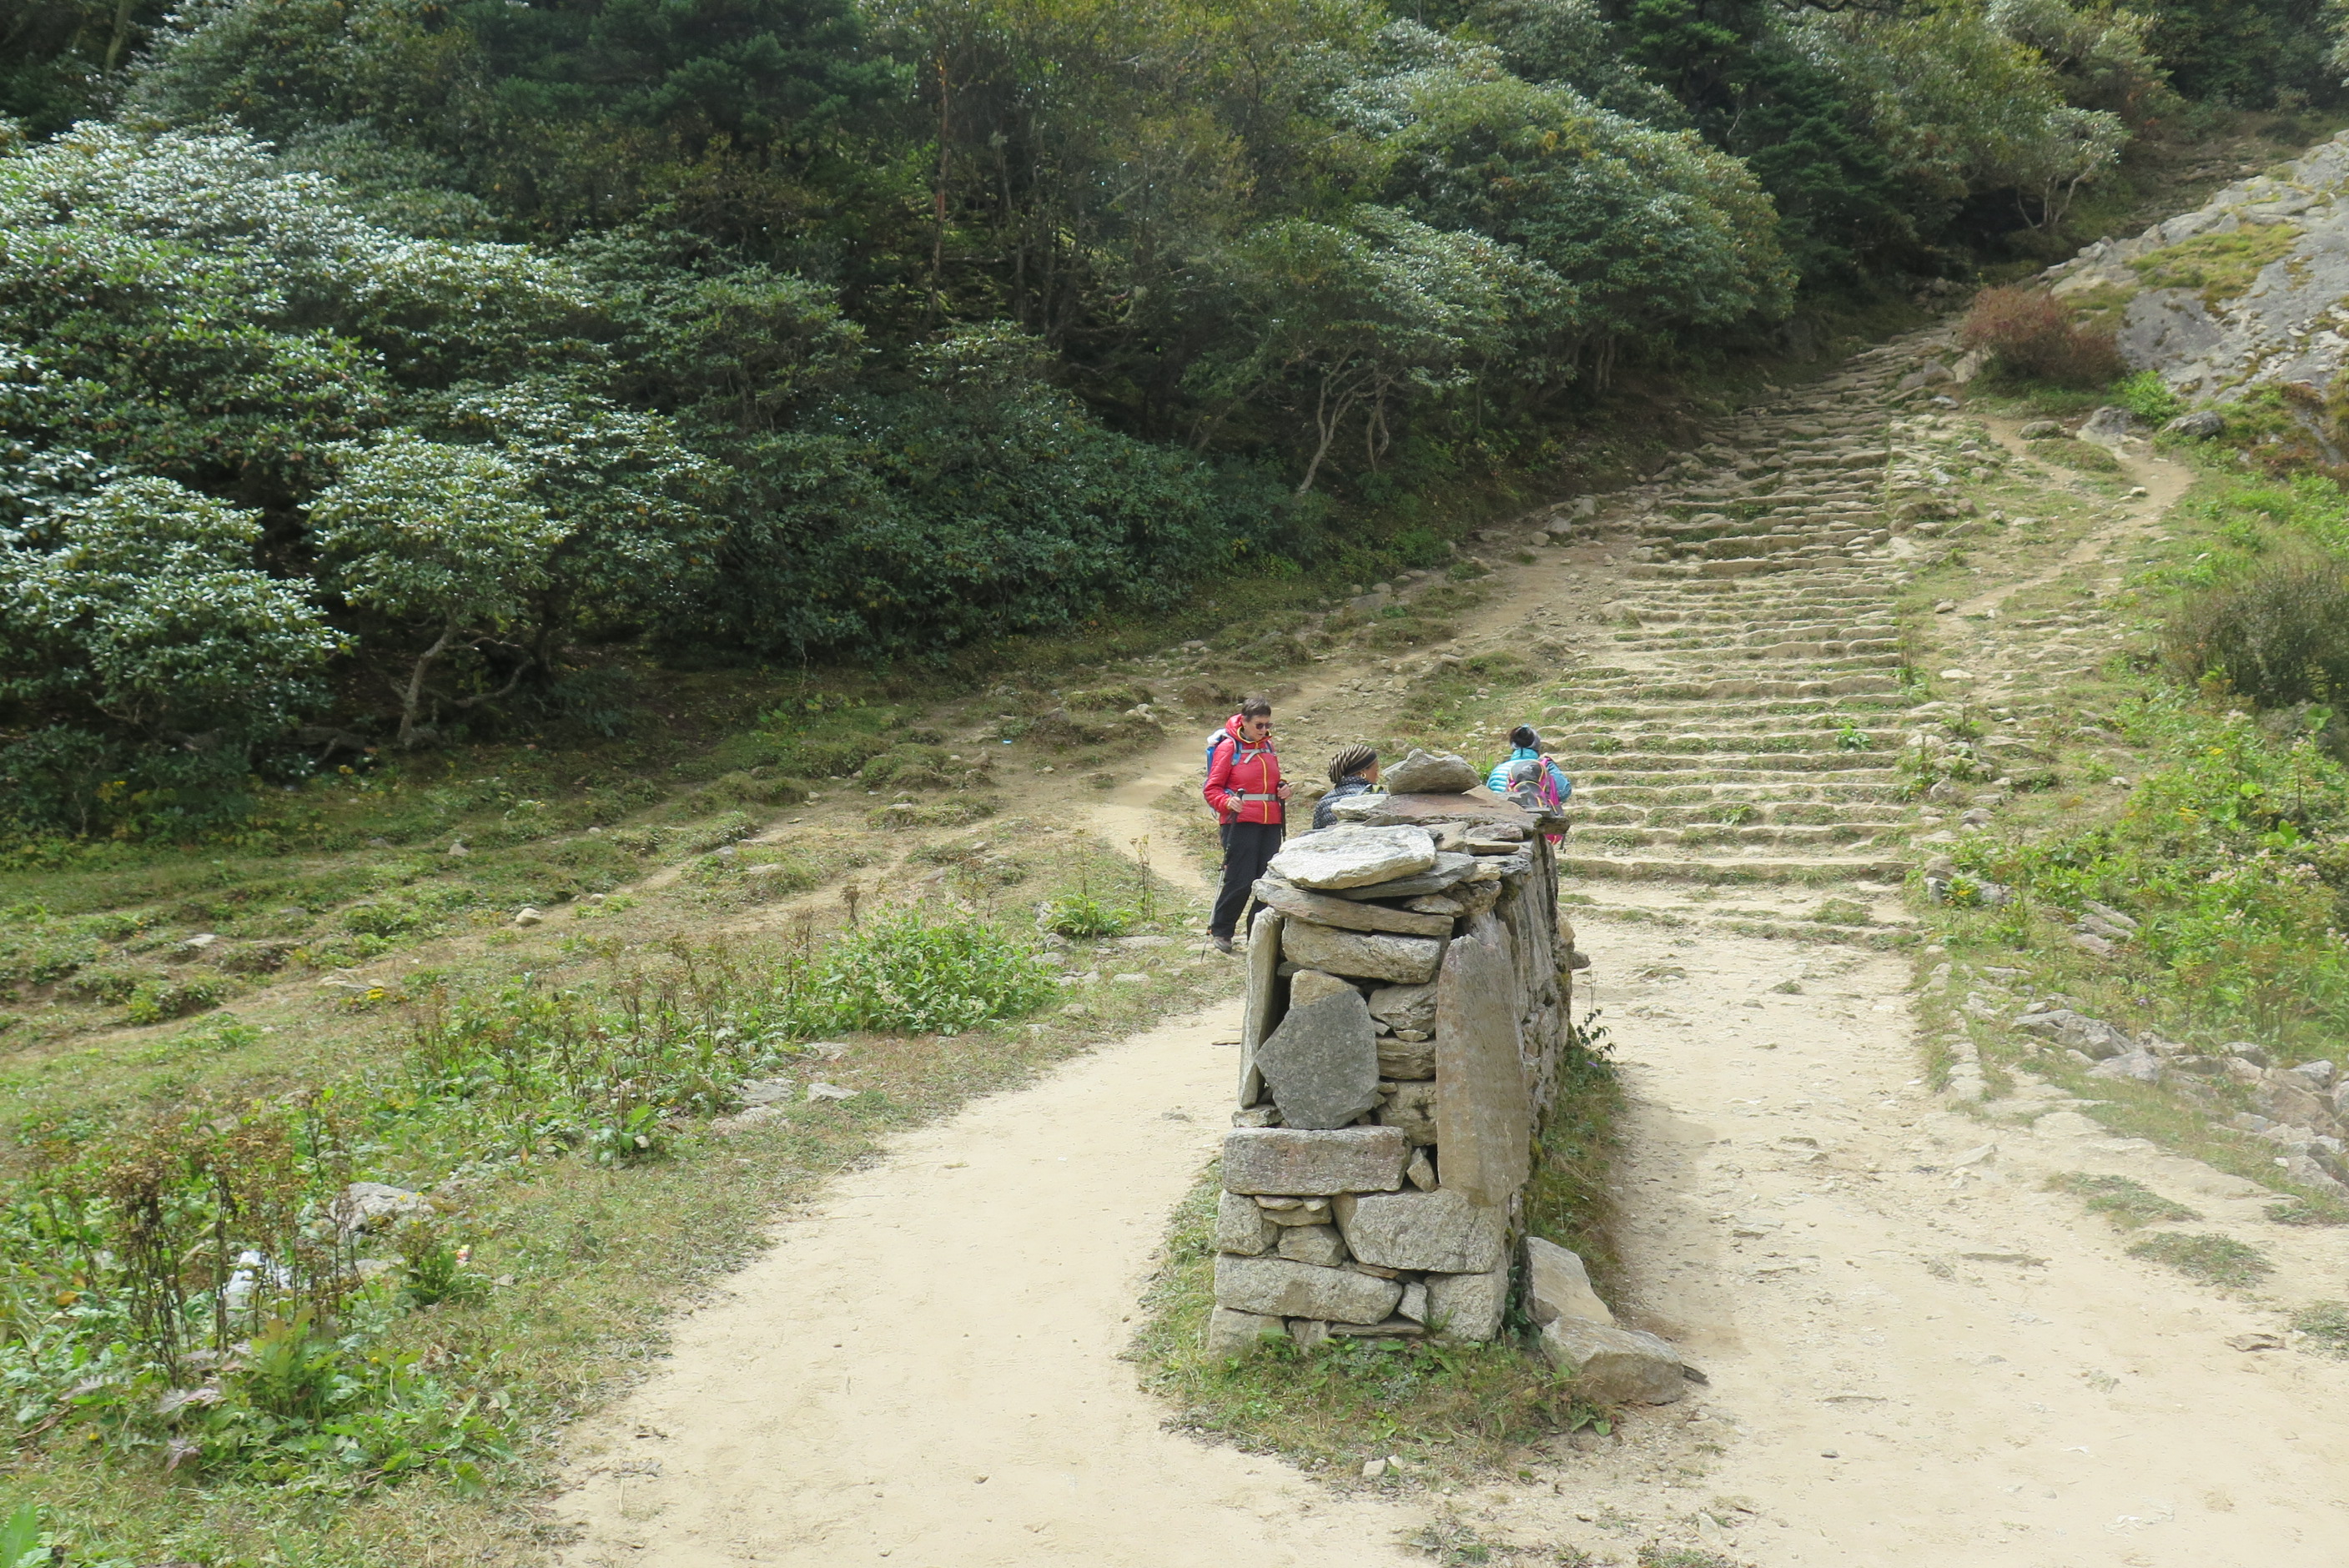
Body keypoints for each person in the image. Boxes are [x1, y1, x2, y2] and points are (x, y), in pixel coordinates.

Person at [1203, 697, 1289, 954]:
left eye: (1267, 724)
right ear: (1244, 722)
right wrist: (1227, 802)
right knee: (1241, 880)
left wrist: (1282, 788)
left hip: (1270, 821)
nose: (1264, 730)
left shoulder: (1268, 747)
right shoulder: (1229, 747)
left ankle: (1258, 935)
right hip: (1239, 822)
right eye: (1259, 725)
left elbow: (1270, 781)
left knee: (1266, 880)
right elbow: (1211, 789)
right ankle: (1222, 930)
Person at [1488, 724, 1571, 842]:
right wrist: (1550, 766)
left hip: (1502, 824)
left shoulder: (1498, 770)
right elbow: (1563, 792)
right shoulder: (1540, 768)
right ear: (1537, 746)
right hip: (1536, 822)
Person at [1314, 745, 1381, 829]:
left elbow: (1316, 835)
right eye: (1376, 770)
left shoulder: (1324, 802)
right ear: (1363, 771)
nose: (1377, 776)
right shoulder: (1376, 793)